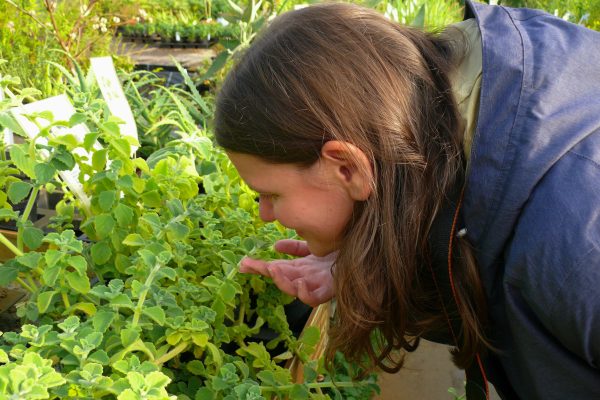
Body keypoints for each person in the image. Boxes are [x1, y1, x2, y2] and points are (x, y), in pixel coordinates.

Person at [213, 1, 600, 398]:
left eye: (270, 194)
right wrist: (371, 263)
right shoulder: (460, 133)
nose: (264, 215)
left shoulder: (576, 248)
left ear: (346, 167)